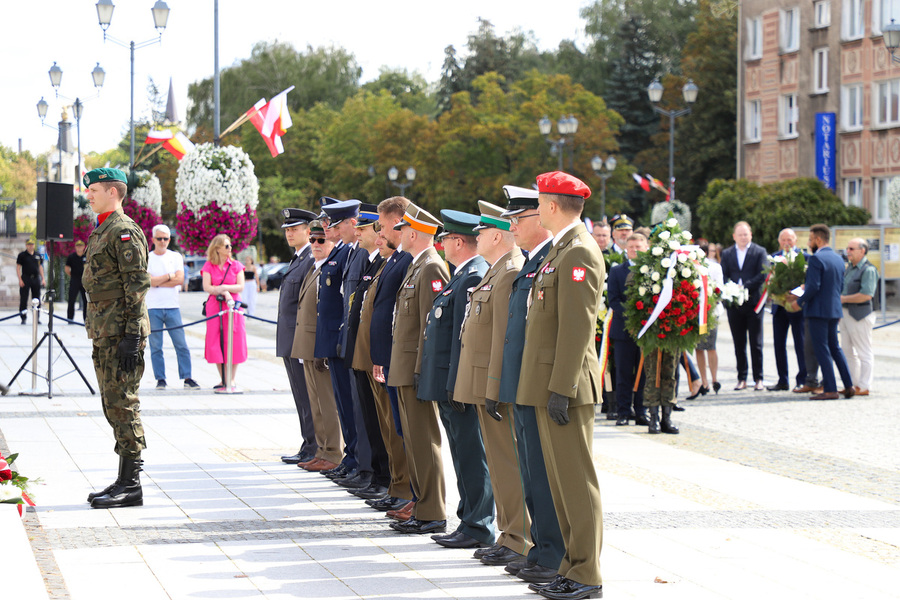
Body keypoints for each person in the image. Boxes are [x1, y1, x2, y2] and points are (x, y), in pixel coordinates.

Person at [517, 171, 604, 600]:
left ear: (552, 206)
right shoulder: (561, 250)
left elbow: (577, 327)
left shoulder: (578, 252)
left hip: (565, 387)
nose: (534, 209)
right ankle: (572, 566)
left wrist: (562, 387)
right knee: (560, 484)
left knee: (576, 482)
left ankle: (587, 574)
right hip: (549, 383)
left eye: (538, 202)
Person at [498, 184, 564, 585]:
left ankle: (553, 553)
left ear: (539, 219)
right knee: (529, 468)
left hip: (538, 382)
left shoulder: (548, 260)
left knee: (541, 470)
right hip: (522, 381)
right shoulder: (531, 262)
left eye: (517, 219)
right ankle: (541, 548)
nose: (512, 227)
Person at [419, 209, 493, 550]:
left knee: (470, 452)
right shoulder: (461, 275)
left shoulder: (472, 276)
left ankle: (478, 523)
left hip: (458, 384)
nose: (442, 243)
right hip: (450, 382)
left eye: (446, 238)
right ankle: (469, 519)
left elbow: (464, 340)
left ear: (458, 241)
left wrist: (456, 384)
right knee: (462, 453)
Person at [81, 168, 150, 509]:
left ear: (113, 192)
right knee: (113, 405)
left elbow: (136, 285)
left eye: (94, 189)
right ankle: (124, 478)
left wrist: (132, 337)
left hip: (122, 334)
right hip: (105, 332)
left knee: (124, 403)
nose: (89, 195)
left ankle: (132, 484)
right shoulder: (102, 230)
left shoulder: (122, 230)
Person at [387, 203, 450, 535]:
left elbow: (431, 326)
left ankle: (433, 511)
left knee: (424, 440)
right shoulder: (418, 266)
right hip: (404, 366)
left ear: (413, 233)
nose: (399, 236)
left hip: (414, 369)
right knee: (413, 440)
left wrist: (423, 370)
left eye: (402, 231)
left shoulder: (431, 268)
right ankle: (422, 505)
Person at [368, 197, 415, 517]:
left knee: (407, 432)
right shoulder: (396, 259)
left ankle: (412, 493)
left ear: (400, 222)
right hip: (387, 357)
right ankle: (402, 489)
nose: (379, 233)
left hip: (400, 359)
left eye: (384, 226)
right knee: (394, 428)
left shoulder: (410, 260)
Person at [344, 204, 391, 501]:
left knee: (381, 422)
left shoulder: (384, 263)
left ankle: (383, 477)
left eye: (363, 229)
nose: (358, 234)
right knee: (370, 418)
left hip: (377, 354)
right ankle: (375, 473)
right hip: (362, 351)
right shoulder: (372, 263)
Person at [292, 221, 344, 473]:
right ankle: (322, 449)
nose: (315, 245)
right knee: (316, 402)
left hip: (320, 344)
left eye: (321, 240)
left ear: (332, 242)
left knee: (327, 401)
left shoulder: (330, 268)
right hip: (308, 344)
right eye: (312, 240)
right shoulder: (315, 268)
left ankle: (334, 451)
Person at [787, 224, 854, 400]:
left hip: (817, 311)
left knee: (822, 349)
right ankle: (848, 385)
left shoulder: (817, 259)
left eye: (810, 240)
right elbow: (839, 286)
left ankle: (830, 388)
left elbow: (813, 286)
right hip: (834, 309)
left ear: (818, 239)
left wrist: (798, 302)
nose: (809, 243)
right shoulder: (839, 258)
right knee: (835, 348)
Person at [276, 208, 318, 466]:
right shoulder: (297, 259)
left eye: (295, 229)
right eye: (287, 230)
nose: (290, 233)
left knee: (307, 395)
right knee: (300, 396)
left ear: (308, 231)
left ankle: (314, 445)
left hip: (300, 339)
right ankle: (308, 443)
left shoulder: (310, 260)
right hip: (289, 338)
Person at [147, 224, 199, 390]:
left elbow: (179, 280)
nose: (163, 241)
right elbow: (148, 281)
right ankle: (160, 378)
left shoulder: (175, 256)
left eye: (166, 238)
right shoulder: (147, 257)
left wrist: (159, 281)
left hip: (172, 306)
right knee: (156, 346)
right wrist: (169, 276)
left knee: (181, 344)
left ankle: (187, 376)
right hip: (153, 307)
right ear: (153, 239)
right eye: (159, 238)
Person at [721, 221, 768, 390]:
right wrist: (732, 289)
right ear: (734, 236)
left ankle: (758, 378)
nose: (743, 237)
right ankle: (742, 378)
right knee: (738, 343)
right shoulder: (726, 253)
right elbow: (723, 274)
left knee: (756, 342)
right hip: (734, 304)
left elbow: (763, 273)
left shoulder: (759, 251)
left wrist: (745, 287)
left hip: (754, 302)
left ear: (751, 235)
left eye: (746, 234)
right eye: (740, 234)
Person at [609, 232, 649, 425]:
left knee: (642, 373)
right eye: (631, 246)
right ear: (626, 248)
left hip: (644, 330)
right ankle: (623, 412)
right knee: (623, 373)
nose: (634, 250)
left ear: (646, 248)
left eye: (638, 247)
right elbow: (614, 300)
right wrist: (632, 315)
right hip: (623, 330)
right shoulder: (617, 271)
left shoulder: (651, 271)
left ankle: (641, 411)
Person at [201, 234, 247, 390]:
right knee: (215, 341)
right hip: (215, 306)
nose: (230, 249)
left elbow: (240, 286)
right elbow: (207, 287)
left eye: (230, 246)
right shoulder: (208, 266)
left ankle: (231, 378)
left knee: (234, 340)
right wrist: (219, 290)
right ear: (217, 248)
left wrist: (224, 289)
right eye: (226, 246)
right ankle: (222, 378)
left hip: (233, 306)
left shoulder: (236, 265)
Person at [768, 229, 808, 392]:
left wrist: (797, 294)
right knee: (779, 344)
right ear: (779, 241)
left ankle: (803, 379)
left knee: (800, 343)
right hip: (779, 307)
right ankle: (782, 380)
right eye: (783, 240)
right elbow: (770, 279)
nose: (786, 243)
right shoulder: (774, 257)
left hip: (797, 307)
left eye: (790, 240)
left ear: (796, 240)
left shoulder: (804, 257)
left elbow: (807, 281)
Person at [840, 238, 878, 396]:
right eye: (847, 248)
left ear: (862, 251)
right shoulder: (850, 268)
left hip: (860, 315)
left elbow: (866, 295)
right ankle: (853, 384)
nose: (847, 251)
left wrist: (843, 299)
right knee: (847, 351)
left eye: (851, 249)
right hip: (845, 313)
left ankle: (864, 385)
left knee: (864, 351)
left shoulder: (868, 269)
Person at [695, 239, 723, 395]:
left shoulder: (714, 267)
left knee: (710, 346)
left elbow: (719, 288)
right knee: (698, 347)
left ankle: (714, 378)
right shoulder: (691, 266)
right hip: (695, 311)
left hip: (711, 311)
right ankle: (703, 380)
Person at [16, 240, 44, 324]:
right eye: (29, 245)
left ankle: (37, 317)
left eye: (32, 244)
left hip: (35, 278)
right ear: (26, 245)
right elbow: (18, 268)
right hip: (26, 278)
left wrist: (43, 278)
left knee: (37, 298)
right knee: (24, 298)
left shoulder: (37, 255)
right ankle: (23, 317)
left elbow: (40, 267)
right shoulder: (22, 255)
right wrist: (20, 279)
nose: (31, 246)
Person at [64, 240, 87, 321]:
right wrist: (72, 275)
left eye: (81, 246)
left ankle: (86, 319)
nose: (79, 248)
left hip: (84, 280)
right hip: (75, 279)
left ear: (84, 247)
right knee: (71, 300)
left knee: (86, 300)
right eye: (78, 246)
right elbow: (66, 269)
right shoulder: (71, 257)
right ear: (75, 247)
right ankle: (70, 318)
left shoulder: (86, 256)